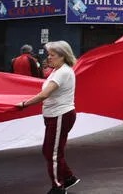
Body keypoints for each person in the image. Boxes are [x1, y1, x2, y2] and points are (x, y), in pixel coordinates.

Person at [16, 41, 80, 194]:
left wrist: (25, 103)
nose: (49, 58)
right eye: (49, 54)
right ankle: (68, 178)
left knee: (52, 152)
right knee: (49, 150)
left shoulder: (63, 72)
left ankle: (58, 187)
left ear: (63, 56)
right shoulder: (56, 70)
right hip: (54, 115)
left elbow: (45, 94)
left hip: (60, 115)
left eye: (52, 55)